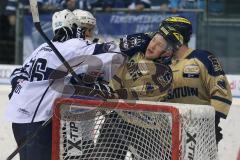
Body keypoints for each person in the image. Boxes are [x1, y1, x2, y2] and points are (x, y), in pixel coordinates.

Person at [5, 9, 123, 160]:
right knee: (73, 154)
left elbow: (108, 78)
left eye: (91, 29)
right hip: (66, 117)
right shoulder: (70, 48)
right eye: (86, 28)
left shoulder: (88, 49)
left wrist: (102, 87)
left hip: (83, 116)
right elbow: (22, 73)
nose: (89, 33)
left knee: (82, 152)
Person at [84, 31, 174, 159]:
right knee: (103, 156)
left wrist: (108, 93)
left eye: (159, 45)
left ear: (167, 53)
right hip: (117, 118)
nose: (152, 46)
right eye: (153, 40)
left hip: (147, 126)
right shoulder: (136, 55)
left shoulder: (163, 73)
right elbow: (111, 72)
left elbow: (135, 95)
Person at [156, 16, 232, 146]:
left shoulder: (203, 58)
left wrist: (211, 124)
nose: (159, 41)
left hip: (200, 133)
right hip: (168, 135)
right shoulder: (160, 64)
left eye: (163, 36)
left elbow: (221, 91)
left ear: (175, 37)